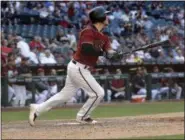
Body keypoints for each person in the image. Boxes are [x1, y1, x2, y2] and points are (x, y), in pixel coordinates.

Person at [29, 6, 122, 126]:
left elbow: (109, 51)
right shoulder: (88, 31)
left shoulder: (104, 37)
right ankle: (83, 116)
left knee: (64, 96)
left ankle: (37, 109)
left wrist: (115, 55)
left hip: (80, 68)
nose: (107, 18)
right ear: (99, 18)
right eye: (105, 15)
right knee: (98, 93)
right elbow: (86, 48)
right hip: (78, 68)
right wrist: (104, 53)